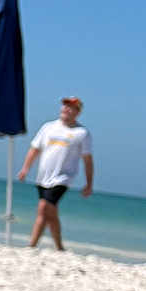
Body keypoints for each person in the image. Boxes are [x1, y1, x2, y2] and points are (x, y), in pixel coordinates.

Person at [17, 97, 94, 251]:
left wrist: (89, 183)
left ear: (77, 112)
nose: (66, 109)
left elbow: (87, 159)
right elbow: (35, 149)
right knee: (49, 213)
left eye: (71, 107)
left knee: (43, 207)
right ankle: (59, 247)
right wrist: (25, 168)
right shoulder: (48, 127)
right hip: (43, 176)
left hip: (63, 178)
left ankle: (32, 245)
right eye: (64, 106)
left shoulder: (82, 133)